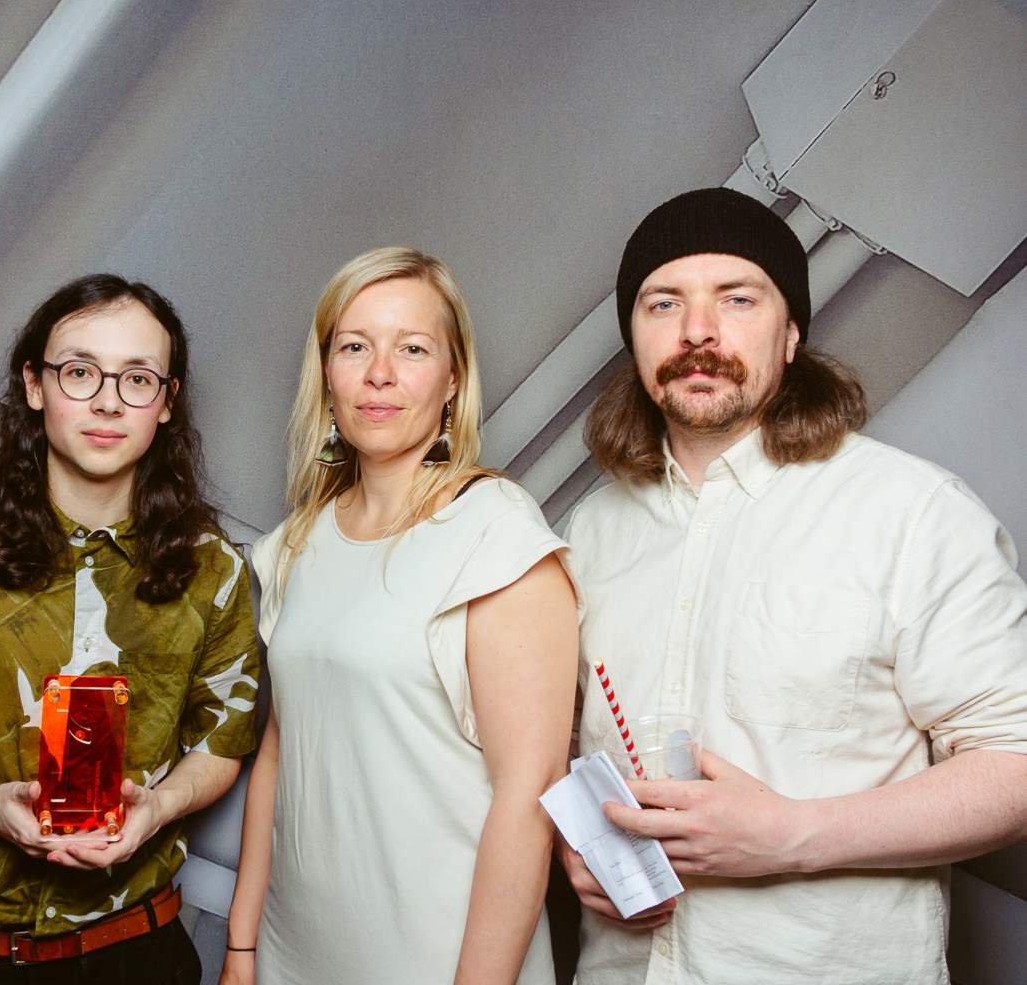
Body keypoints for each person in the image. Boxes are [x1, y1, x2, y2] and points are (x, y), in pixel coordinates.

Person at [560, 186, 1027, 984]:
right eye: (663, 302)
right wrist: (575, 844)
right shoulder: (589, 531)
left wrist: (792, 836)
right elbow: (567, 745)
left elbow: (1015, 761)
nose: (697, 329)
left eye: (737, 298)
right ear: (634, 336)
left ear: (791, 335)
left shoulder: (913, 513)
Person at [0, 274, 259, 984]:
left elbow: (221, 743)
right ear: (34, 384)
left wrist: (159, 808)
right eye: (80, 372)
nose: (108, 401)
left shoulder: (212, 570)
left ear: (167, 402)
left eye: (137, 378)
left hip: (138, 950)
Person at [221, 248, 580, 985]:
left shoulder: (496, 533)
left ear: (453, 380)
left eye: (412, 349)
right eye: (355, 347)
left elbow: (531, 795)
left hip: (441, 960)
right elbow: (280, 755)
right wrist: (242, 945)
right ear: (328, 374)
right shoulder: (296, 543)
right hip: (294, 955)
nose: (379, 373)